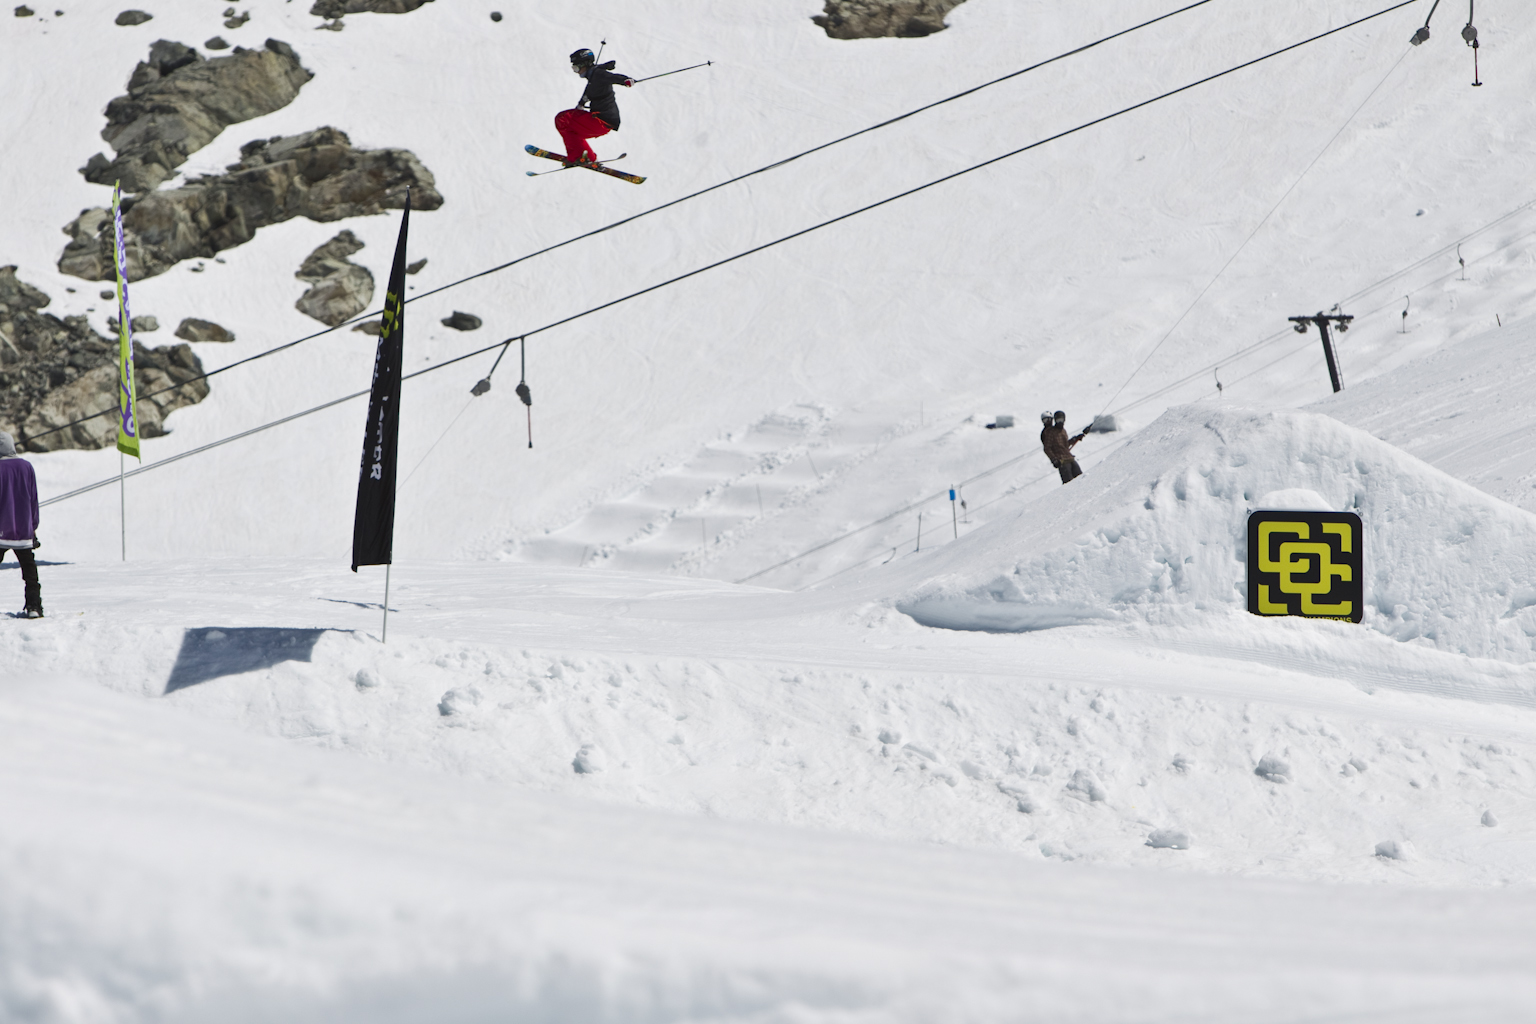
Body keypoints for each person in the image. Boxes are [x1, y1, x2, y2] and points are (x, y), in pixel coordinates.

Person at [555, 47, 634, 167]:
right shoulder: (593, 76)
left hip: (601, 120)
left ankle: (579, 156)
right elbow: (589, 91)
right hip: (601, 120)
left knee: (562, 119)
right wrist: (581, 104)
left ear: (584, 64)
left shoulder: (598, 74)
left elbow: (611, 77)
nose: (576, 72)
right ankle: (584, 156)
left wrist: (625, 80)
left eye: (576, 68)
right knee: (569, 128)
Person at [0, 431, 42, 618]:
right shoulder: (26, 467)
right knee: (29, 572)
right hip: (24, 531)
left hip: (1, 531)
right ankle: (34, 606)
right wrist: (33, 526)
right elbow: (33, 498)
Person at [1039, 410, 1085, 485]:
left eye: (1061, 420)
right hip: (1062, 461)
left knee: (1081, 477)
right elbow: (1047, 448)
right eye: (1058, 420)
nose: (1060, 422)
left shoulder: (1063, 431)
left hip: (1070, 458)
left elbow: (1065, 445)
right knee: (1069, 483)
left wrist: (1075, 439)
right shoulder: (1050, 432)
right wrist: (1054, 460)